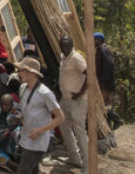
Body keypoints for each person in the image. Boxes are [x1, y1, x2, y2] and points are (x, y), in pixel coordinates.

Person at [16, 56, 64, 174]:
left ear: (32, 73)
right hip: (26, 136)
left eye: (22, 70)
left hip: (37, 141)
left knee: (23, 170)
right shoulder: (23, 88)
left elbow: (60, 117)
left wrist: (40, 130)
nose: (19, 73)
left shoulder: (45, 93)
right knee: (33, 170)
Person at [57, 35, 89, 169]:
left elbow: (90, 74)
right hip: (65, 99)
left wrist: (81, 92)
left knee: (79, 130)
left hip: (77, 101)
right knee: (63, 126)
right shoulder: (63, 57)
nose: (65, 49)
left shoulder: (76, 58)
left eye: (67, 47)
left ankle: (88, 164)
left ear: (71, 46)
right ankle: (74, 157)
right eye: (63, 47)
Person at [94, 32, 117, 105]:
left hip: (105, 85)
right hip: (106, 84)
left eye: (94, 39)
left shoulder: (102, 49)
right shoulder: (102, 49)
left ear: (98, 40)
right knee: (105, 106)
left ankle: (114, 117)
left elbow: (109, 65)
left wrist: (102, 81)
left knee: (100, 105)